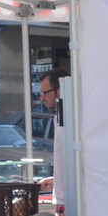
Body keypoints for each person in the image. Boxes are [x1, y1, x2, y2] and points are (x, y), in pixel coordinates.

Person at [38, 67, 68, 203]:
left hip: (69, 201)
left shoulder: (72, 122)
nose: (41, 98)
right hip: (63, 198)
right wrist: (56, 180)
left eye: (45, 92)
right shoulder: (60, 119)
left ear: (59, 91)